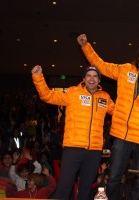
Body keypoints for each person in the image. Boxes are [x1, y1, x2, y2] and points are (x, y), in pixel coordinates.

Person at [77, 34, 139, 200]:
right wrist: (86, 46)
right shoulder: (124, 70)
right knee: (113, 176)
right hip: (122, 134)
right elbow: (100, 65)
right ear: (138, 54)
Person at [31, 64, 115, 200]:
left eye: (95, 76)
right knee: (65, 185)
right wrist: (38, 77)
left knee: (86, 187)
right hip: (73, 148)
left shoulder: (105, 98)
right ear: (84, 78)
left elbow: (119, 113)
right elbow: (47, 96)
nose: (92, 79)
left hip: (94, 150)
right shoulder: (73, 93)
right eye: (89, 75)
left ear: (99, 80)